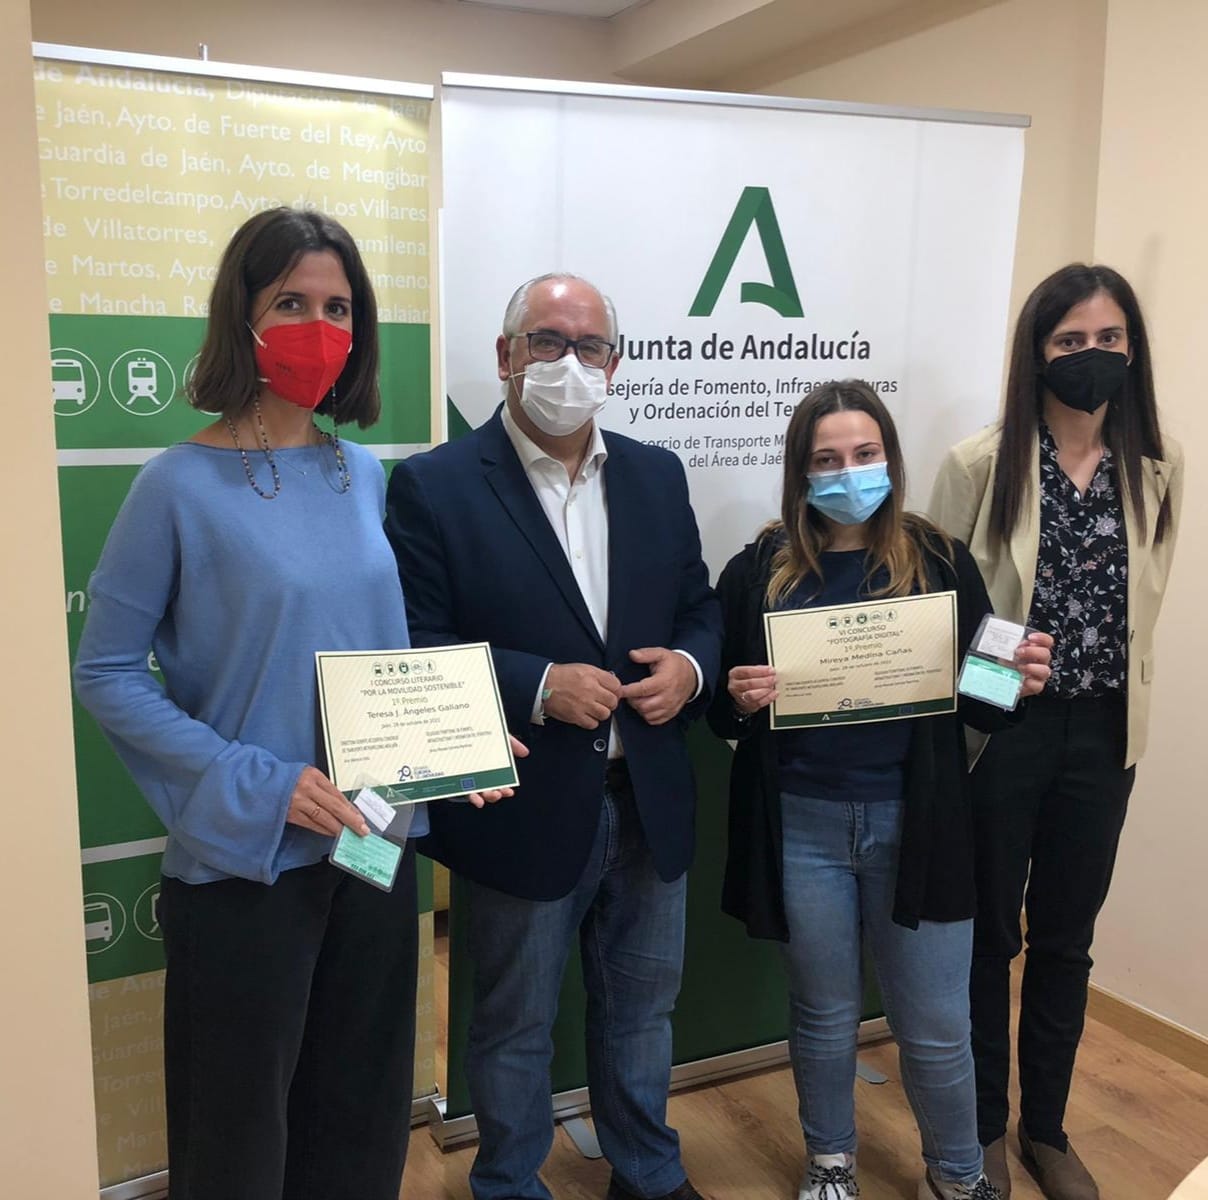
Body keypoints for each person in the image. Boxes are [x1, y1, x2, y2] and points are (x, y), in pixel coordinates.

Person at [73, 206, 519, 1200]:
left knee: (361, 1111)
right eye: (291, 303)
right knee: (236, 1134)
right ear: (241, 316)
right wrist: (257, 781)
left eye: (338, 308)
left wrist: (452, 742)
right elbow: (104, 672)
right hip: (248, 858)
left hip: (372, 846)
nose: (318, 327)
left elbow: (382, 651)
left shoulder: (362, 475)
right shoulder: (174, 488)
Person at [385, 273, 723, 1200]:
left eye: (589, 346)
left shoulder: (656, 475)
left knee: (642, 1014)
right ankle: (507, 1182)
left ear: (615, 364)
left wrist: (689, 670)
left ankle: (647, 1172)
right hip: (521, 803)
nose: (569, 362)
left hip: (647, 797)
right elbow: (414, 643)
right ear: (505, 355)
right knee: (512, 1027)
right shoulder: (435, 485)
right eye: (547, 341)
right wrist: (534, 685)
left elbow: (699, 610)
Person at [709, 380, 1052, 1200]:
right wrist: (739, 697)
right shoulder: (756, 571)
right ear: (799, 472)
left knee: (934, 1024)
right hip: (803, 827)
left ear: (891, 461)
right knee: (824, 1016)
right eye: (826, 459)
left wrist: (1016, 678)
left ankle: (958, 1174)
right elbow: (720, 709)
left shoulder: (939, 560)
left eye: (864, 455)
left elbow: (981, 705)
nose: (848, 473)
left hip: (920, 824)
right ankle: (831, 1162)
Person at [928, 264, 1183, 1200]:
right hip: (1004, 733)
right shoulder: (980, 465)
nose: (1091, 355)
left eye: (1108, 338)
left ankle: (1047, 1130)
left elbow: (1144, 605)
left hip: (1105, 736)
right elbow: (937, 616)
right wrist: (1002, 675)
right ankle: (980, 1130)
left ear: (1132, 349)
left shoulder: (1158, 465)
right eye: (1070, 340)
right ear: (1038, 353)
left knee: (1067, 940)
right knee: (990, 938)